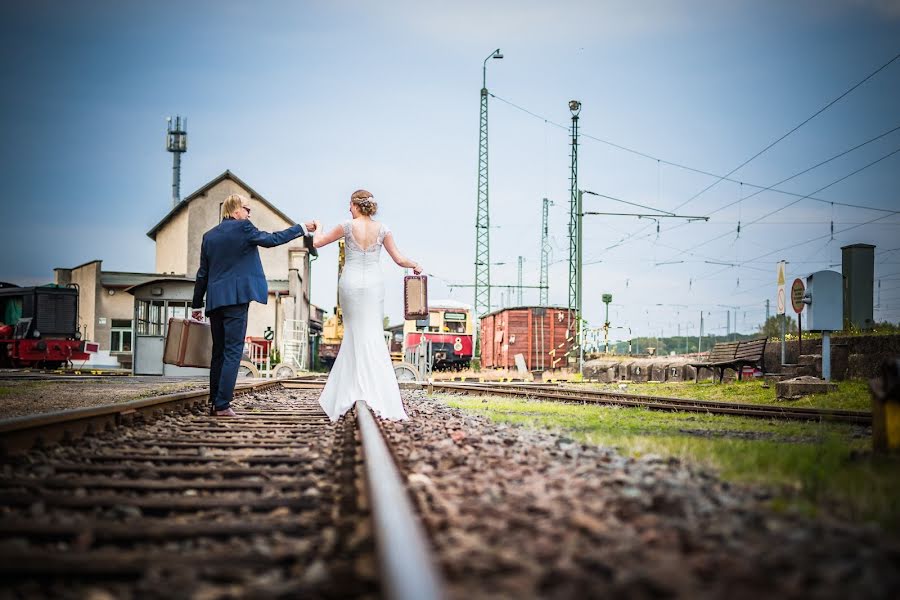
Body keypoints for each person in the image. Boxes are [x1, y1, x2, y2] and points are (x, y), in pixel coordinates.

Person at [191, 193, 317, 417]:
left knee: (218, 353)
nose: (249, 213)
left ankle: (215, 401)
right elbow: (272, 239)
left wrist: (196, 305)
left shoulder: (209, 236)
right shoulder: (244, 228)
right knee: (232, 351)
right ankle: (222, 406)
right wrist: (300, 228)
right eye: (247, 209)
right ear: (236, 210)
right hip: (236, 299)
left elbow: (203, 273)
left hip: (215, 300)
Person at [313, 189, 422, 421]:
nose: (348, 209)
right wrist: (415, 265)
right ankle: (376, 392)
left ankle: (350, 389)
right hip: (373, 285)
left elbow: (318, 242)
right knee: (372, 333)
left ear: (354, 205)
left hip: (350, 284)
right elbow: (400, 259)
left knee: (353, 335)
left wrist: (319, 226)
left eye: (349, 205)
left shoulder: (346, 226)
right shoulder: (383, 229)